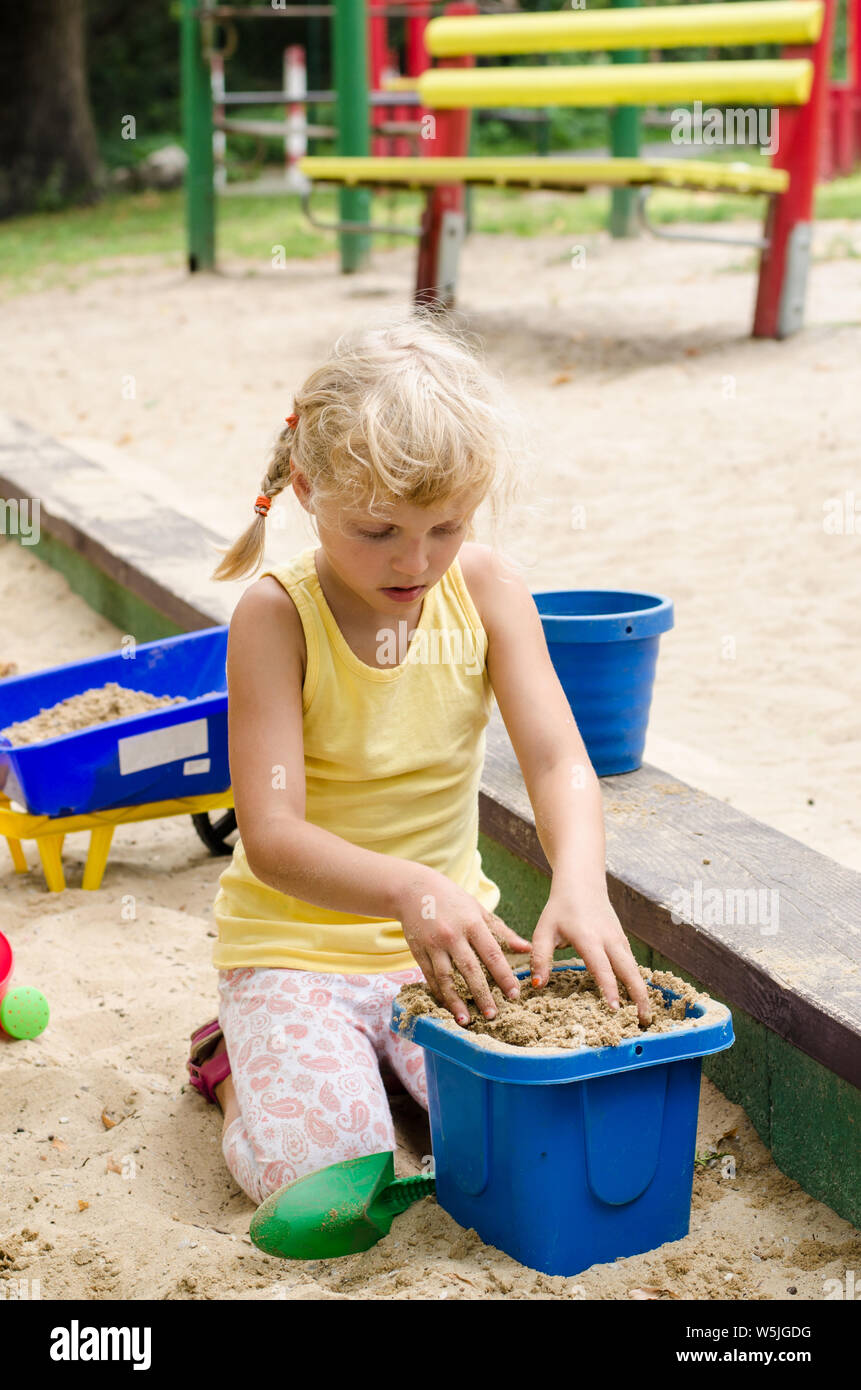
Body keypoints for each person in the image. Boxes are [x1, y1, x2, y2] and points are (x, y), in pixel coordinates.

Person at [187, 310, 652, 1207]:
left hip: (448, 941)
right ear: (304, 488)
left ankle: (345, 1066)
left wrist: (581, 881)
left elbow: (558, 762)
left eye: (445, 527)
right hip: (297, 947)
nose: (416, 561)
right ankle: (229, 1061)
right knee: (329, 1185)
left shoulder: (483, 586)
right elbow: (274, 836)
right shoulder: (276, 617)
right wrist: (408, 888)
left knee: (540, 1141)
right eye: (378, 532)